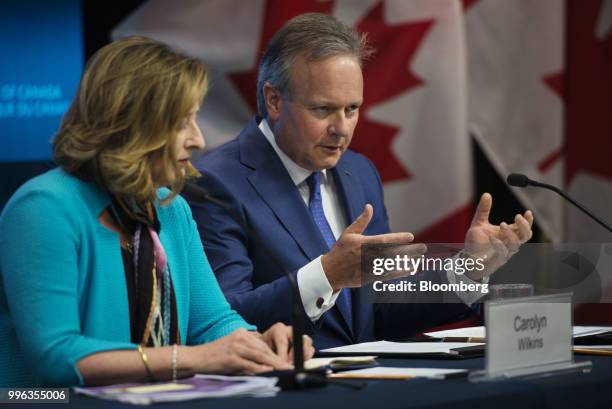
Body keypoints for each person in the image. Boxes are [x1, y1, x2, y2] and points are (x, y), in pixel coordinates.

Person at [189, 14, 533, 349]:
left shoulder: (359, 173)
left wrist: (469, 270)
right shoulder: (216, 183)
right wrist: (327, 275)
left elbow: (378, 307)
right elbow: (223, 322)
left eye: (351, 109)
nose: (342, 129)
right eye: (323, 110)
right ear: (274, 100)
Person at [0, 36, 313, 388]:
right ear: (131, 124)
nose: (198, 140)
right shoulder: (43, 208)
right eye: (182, 123)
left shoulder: (171, 207)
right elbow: (56, 358)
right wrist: (192, 358)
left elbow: (211, 323)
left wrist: (258, 344)